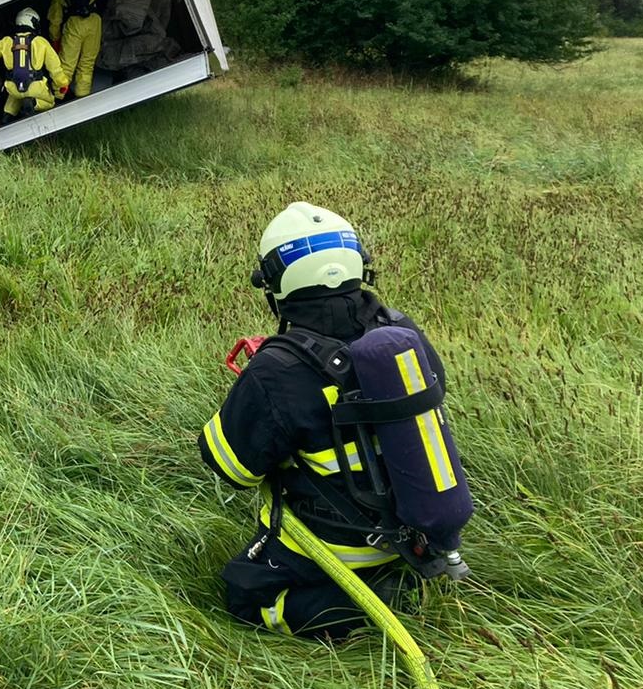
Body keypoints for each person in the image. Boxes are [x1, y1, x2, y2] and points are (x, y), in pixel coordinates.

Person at [198, 202, 471, 639]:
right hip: (411, 530)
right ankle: (396, 579)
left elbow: (232, 467)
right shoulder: (402, 334)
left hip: (334, 544)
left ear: (275, 286)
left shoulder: (278, 369)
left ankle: (361, 608)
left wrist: (258, 390)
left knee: (245, 595)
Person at [47, 0, 149, 98]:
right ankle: (82, 97)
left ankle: (58, 97)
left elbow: (55, 20)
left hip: (74, 24)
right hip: (94, 22)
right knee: (87, 65)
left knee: (67, 67)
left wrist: (55, 39)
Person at [0, 7, 69, 118]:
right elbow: (54, 67)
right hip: (36, 87)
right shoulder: (40, 42)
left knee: (15, 96)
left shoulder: (6, 41)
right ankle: (33, 104)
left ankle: (7, 114)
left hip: (13, 87)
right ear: (33, 22)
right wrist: (62, 83)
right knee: (50, 102)